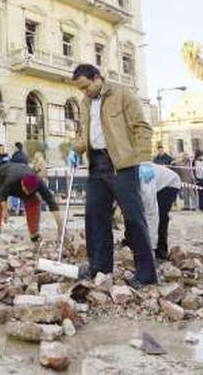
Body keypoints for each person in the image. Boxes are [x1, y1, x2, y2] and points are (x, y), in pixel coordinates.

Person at [68, 64, 157, 287]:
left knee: (134, 218)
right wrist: (76, 149)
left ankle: (146, 275)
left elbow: (142, 128)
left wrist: (145, 159)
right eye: (80, 89)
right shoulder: (85, 102)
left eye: (86, 86)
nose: (84, 92)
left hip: (122, 165)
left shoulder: (123, 94)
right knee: (95, 216)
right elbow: (83, 132)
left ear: (97, 78)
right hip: (96, 165)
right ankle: (99, 267)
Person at [0, 162, 63, 241]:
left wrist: (60, 225)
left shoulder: (39, 182)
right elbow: (2, 195)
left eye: (30, 191)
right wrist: (5, 211)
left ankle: (34, 233)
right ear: (22, 183)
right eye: (26, 190)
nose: (27, 193)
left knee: (34, 201)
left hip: (22, 170)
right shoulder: (12, 180)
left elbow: (50, 200)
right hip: (2, 174)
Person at [136, 163, 181, 261]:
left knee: (160, 216)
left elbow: (152, 212)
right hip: (155, 182)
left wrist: (151, 246)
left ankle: (160, 251)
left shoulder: (145, 176)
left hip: (170, 183)